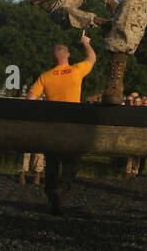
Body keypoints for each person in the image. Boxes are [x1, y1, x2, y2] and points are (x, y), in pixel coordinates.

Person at [26, 32, 96, 214]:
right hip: (73, 125)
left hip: (52, 126)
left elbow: (30, 99)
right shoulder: (76, 70)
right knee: (72, 162)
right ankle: (62, 188)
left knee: (52, 164)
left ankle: (52, 199)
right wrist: (85, 42)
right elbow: (92, 58)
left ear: (52, 58)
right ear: (68, 56)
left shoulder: (45, 77)